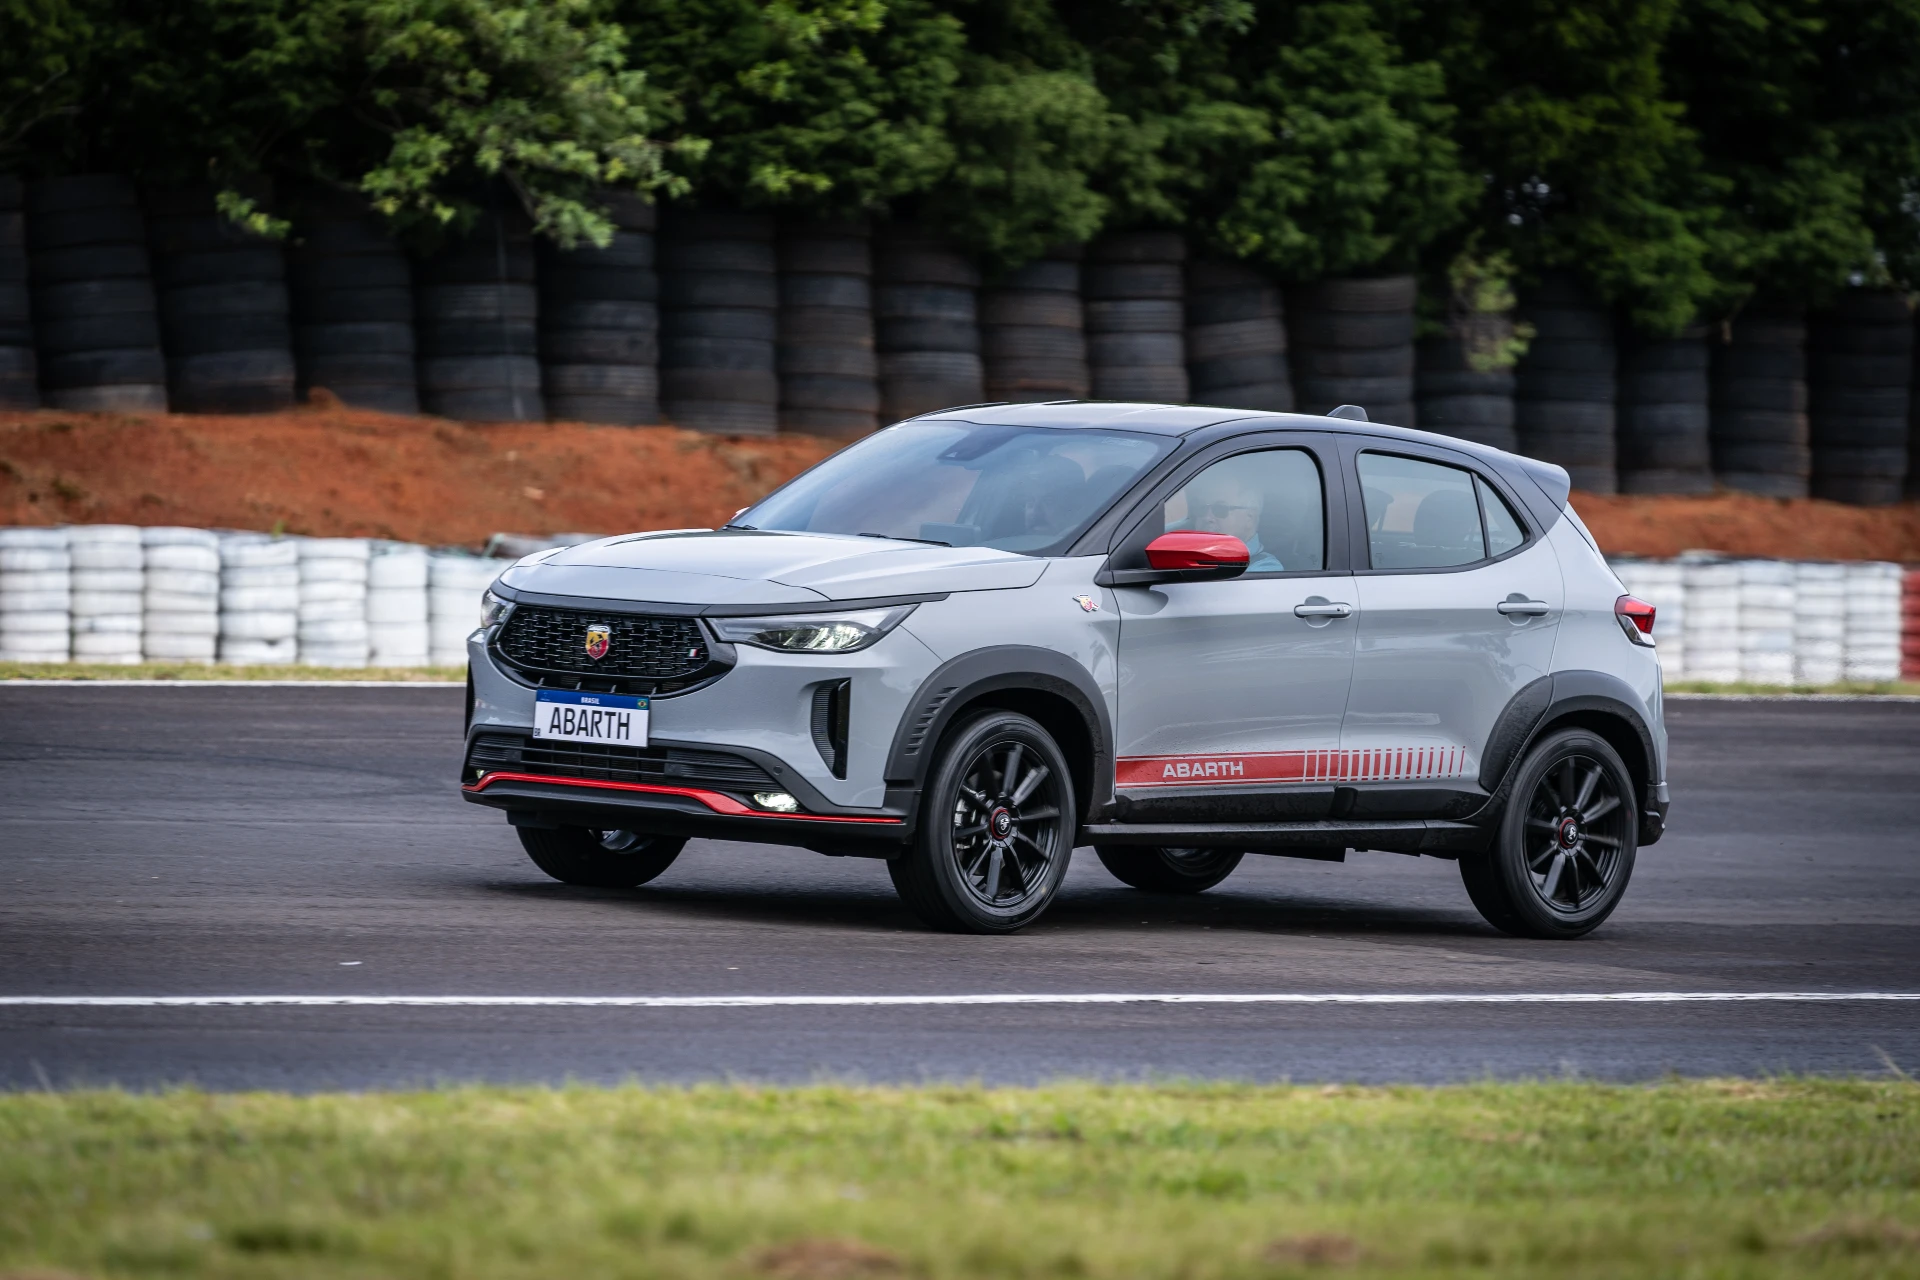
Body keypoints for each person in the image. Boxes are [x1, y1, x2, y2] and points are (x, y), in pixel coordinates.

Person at [1175, 466, 1284, 572]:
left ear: (1250, 516)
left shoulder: (1265, 570)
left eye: (1220, 509)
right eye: (1202, 508)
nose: (1207, 517)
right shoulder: (1191, 558)